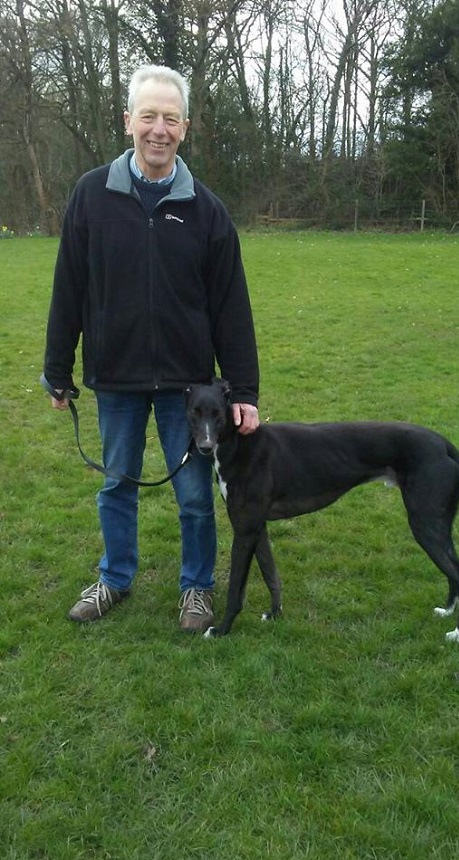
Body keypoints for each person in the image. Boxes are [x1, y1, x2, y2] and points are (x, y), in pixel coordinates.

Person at [42, 64, 259, 632]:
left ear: (184, 127)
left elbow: (232, 309)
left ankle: (196, 588)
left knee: (193, 493)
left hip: (188, 387)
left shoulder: (207, 211)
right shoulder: (91, 195)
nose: (158, 129)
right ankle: (114, 577)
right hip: (115, 378)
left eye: (170, 118)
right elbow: (69, 286)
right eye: (148, 117)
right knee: (117, 485)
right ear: (128, 121)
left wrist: (246, 390)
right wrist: (56, 367)